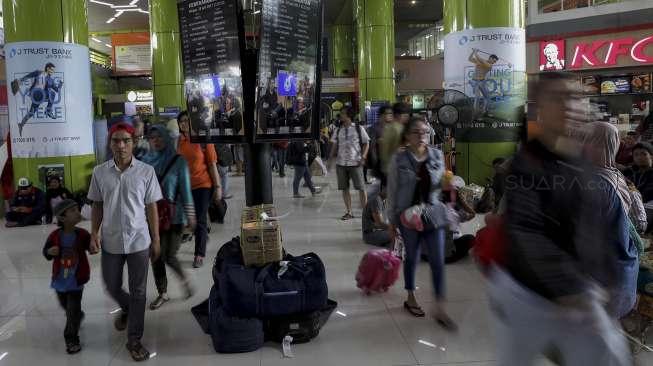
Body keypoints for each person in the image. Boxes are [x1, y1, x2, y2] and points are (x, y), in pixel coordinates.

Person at [495, 73, 631, 365]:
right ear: (539, 108)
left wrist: (607, 280)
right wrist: (572, 288)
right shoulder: (526, 166)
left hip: (580, 293)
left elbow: (596, 230)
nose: (569, 105)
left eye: (575, 97)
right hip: (528, 294)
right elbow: (527, 232)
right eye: (558, 98)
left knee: (610, 358)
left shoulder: (583, 163)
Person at [88, 122, 162, 362]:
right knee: (111, 284)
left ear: (133, 143)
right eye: (116, 141)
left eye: (126, 141)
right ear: (110, 144)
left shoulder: (146, 172)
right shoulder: (100, 173)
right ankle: (128, 307)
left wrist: (156, 239)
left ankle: (135, 339)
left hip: (139, 239)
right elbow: (97, 204)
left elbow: (151, 207)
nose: (120, 145)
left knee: (139, 291)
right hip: (111, 240)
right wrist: (94, 233)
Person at [386, 117, 455, 330]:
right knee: (412, 258)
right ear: (407, 136)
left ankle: (440, 306)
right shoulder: (398, 159)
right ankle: (410, 296)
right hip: (407, 215)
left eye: (425, 132)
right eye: (417, 132)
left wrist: (447, 184)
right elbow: (392, 191)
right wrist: (392, 221)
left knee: (437, 259)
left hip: (432, 213)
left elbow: (443, 185)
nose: (422, 136)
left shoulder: (436, 155)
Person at [581, 122, 639, 319]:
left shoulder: (592, 184)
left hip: (601, 280)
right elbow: (636, 222)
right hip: (624, 270)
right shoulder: (616, 175)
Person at [141, 125, 197, 310]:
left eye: (159, 137)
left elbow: (186, 190)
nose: (156, 140)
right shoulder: (145, 162)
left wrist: (191, 216)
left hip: (175, 216)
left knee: (169, 254)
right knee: (156, 255)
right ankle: (162, 292)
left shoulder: (178, 161)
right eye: (152, 137)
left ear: (166, 137)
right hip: (151, 216)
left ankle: (184, 280)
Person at [42, 199, 96, 354]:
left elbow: (91, 247)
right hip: (60, 281)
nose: (78, 213)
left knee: (71, 311)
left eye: (77, 209)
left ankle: (71, 338)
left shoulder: (82, 234)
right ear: (62, 218)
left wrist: (93, 247)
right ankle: (77, 315)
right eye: (72, 211)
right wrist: (49, 252)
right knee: (66, 306)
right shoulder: (54, 236)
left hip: (76, 281)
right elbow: (45, 252)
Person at [177, 111, 222, 268]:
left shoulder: (203, 140)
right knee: (191, 219)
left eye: (186, 120)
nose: (183, 123)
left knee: (200, 218)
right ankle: (202, 236)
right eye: (181, 121)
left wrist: (218, 187)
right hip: (185, 187)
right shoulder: (179, 142)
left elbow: (212, 164)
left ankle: (199, 254)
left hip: (203, 185)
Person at [329, 106, 369, 220]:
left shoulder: (358, 128)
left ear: (348, 115)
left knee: (361, 188)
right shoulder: (338, 130)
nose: (340, 115)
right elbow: (334, 145)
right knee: (344, 188)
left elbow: (367, 143)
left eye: (342, 113)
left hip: (355, 163)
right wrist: (330, 159)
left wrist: (364, 156)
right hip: (341, 164)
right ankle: (349, 212)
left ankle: (365, 213)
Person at [13, 62, 63, 136]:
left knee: (31, 112)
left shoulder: (51, 80)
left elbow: (57, 90)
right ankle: (48, 111)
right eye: (51, 70)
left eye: (53, 70)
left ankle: (21, 124)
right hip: (36, 94)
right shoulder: (39, 72)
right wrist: (20, 80)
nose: (53, 72)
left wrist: (60, 84)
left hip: (40, 96)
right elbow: (29, 76)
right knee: (52, 93)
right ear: (47, 68)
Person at [380, 103, 410, 176]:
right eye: (405, 115)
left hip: (389, 167)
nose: (407, 117)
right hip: (396, 168)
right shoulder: (398, 128)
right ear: (398, 115)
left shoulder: (388, 127)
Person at [468, 49, 498, 115]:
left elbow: (481, 60)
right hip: (474, 82)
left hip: (482, 82)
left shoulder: (489, 66)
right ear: (490, 58)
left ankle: (485, 111)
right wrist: (473, 52)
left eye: (495, 62)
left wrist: (476, 52)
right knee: (477, 97)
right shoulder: (481, 61)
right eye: (494, 60)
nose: (494, 63)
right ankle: (475, 113)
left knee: (487, 97)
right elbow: (469, 59)